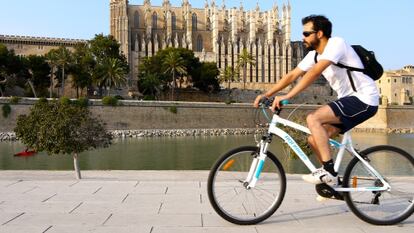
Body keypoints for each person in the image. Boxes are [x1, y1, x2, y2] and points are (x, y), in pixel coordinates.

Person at [253, 15, 379, 185]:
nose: (303, 37)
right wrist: (267, 94)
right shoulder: (313, 56)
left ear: (319, 34)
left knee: (314, 118)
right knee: (314, 139)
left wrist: (287, 96)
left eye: (306, 33)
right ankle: (332, 182)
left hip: (364, 99)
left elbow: (313, 73)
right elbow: (292, 75)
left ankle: (328, 172)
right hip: (348, 101)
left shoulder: (336, 44)